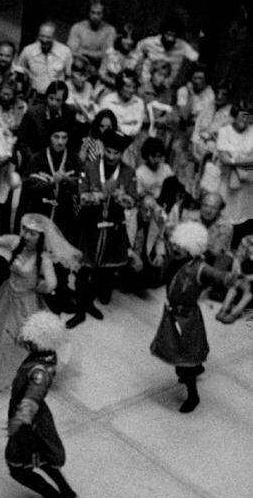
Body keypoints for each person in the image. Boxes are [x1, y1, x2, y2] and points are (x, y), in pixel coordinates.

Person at [0, 215, 78, 391]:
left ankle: (16, 375)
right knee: (0, 334)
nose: (26, 236)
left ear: (41, 237)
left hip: (26, 302)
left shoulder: (44, 258)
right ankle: (0, 372)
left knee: (20, 339)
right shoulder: (14, 242)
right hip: (7, 295)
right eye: (25, 230)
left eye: (32, 234)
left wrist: (35, 288)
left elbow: (51, 283)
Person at [150, 221, 232, 412]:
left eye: (181, 246)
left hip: (187, 320)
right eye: (176, 244)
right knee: (180, 351)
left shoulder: (199, 267)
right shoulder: (176, 259)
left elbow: (218, 275)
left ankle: (193, 395)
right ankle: (195, 369)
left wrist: (231, 278)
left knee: (184, 360)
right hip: (173, 315)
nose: (176, 247)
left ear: (192, 248)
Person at [5, 311, 76, 498]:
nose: (27, 341)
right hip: (35, 419)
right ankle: (65, 489)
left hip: (29, 424)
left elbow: (32, 398)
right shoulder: (46, 355)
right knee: (43, 458)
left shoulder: (39, 372)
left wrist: (17, 423)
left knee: (17, 468)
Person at [70, 130, 137, 324]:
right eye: (108, 151)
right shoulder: (89, 168)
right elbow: (82, 197)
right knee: (84, 269)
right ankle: (79, 310)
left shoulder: (128, 172)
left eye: (116, 153)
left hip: (113, 228)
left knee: (102, 271)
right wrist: (101, 194)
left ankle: (89, 303)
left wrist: (118, 195)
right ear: (103, 149)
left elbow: (133, 201)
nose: (111, 157)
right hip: (89, 225)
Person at [215, 99, 253, 226]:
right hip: (227, 181)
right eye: (242, 117)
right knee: (224, 215)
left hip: (246, 183)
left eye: (249, 117)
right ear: (235, 115)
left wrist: (235, 160)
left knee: (242, 218)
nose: (245, 121)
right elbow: (224, 158)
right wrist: (245, 160)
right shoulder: (224, 132)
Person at [17, 22, 74, 97]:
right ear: (38, 35)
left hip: (55, 98)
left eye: (48, 37)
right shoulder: (28, 51)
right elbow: (19, 71)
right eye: (42, 36)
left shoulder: (65, 52)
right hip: (34, 96)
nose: (44, 40)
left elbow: (69, 77)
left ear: (54, 37)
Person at [67, 0, 116, 70]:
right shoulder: (77, 27)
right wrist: (93, 55)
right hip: (78, 67)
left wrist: (84, 51)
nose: (95, 17)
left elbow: (107, 55)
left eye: (99, 13)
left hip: (99, 70)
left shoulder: (110, 30)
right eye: (92, 12)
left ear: (103, 14)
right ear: (88, 13)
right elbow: (71, 51)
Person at [216, 234, 253, 323]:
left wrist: (250, 278)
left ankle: (235, 312)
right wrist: (238, 272)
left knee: (250, 290)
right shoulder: (248, 239)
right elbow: (238, 258)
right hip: (244, 273)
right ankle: (224, 308)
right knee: (235, 283)